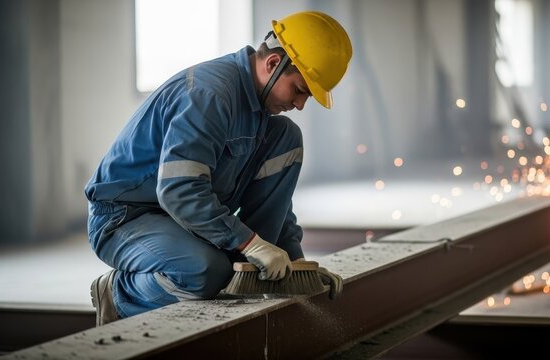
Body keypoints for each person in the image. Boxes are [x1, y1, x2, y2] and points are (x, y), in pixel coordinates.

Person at [86, 10, 353, 326]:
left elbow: (276, 203)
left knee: (287, 135)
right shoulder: (210, 94)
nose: (300, 104)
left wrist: (296, 266)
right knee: (206, 272)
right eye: (299, 90)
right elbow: (180, 189)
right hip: (126, 218)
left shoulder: (258, 114)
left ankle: (250, 269)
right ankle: (120, 292)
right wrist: (251, 244)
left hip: (182, 219)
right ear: (272, 65)